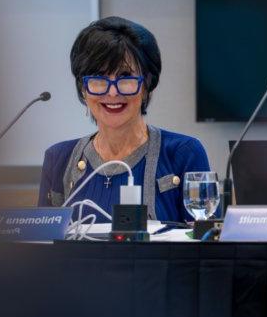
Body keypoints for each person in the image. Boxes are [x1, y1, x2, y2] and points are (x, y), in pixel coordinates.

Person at [38, 16, 212, 222]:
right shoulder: (59, 159)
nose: (112, 93)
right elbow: (43, 247)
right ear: (83, 89)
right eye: (99, 78)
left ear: (147, 85)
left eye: (125, 77)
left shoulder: (184, 153)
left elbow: (207, 244)